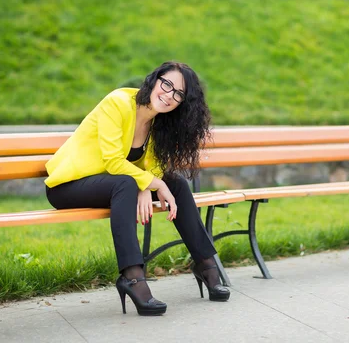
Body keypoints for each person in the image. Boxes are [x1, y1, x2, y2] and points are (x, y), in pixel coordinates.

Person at [44, 61, 230, 316]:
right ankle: (132, 277)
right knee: (128, 182)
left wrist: (145, 186)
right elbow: (112, 161)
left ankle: (205, 264)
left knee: (174, 183)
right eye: (167, 85)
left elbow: (152, 167)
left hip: (115, 184)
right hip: (68, 186)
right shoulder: (118, 103)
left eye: (179, 95)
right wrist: (147, 183)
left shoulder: (158, 124)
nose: (169, 95)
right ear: (154, 79)